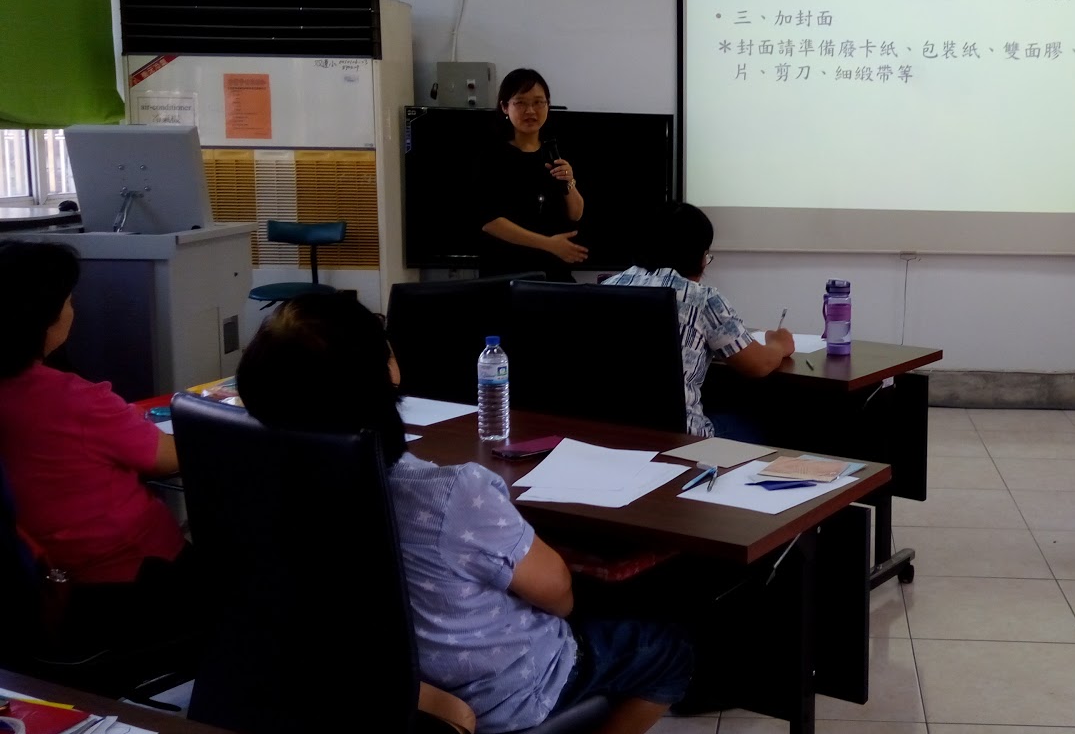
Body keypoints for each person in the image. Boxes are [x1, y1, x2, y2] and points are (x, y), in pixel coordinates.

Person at [237, 294, 692, 734]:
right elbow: (558, 591)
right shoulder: (450, 494)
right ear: (386, 371)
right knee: (667, 649)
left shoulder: (260, 478)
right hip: (497, 694)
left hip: (361, 679)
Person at [0, 240, 190, 648]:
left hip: (35, 586)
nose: (74, 309)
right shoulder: (73, 400)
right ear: (43, 319)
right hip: (124, 581)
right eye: (69, 301)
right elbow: (168, 458)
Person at [602, 203, 795, 438]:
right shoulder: (702, 298)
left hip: (608, 432)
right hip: (681, 438)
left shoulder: (608, 286)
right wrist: (779, 345)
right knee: (762, 423)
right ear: (699, 257)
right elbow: (758, 365)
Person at [478, 68, 588, 280]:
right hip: (508, 273)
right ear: (505, 107)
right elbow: (489, 221)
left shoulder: (555, 152)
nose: (531, 110)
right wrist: (549, 244)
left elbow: (575, 213)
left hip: (554, 272)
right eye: (520, 103)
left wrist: (569, 181)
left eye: (538, 102)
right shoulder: (492, 156)